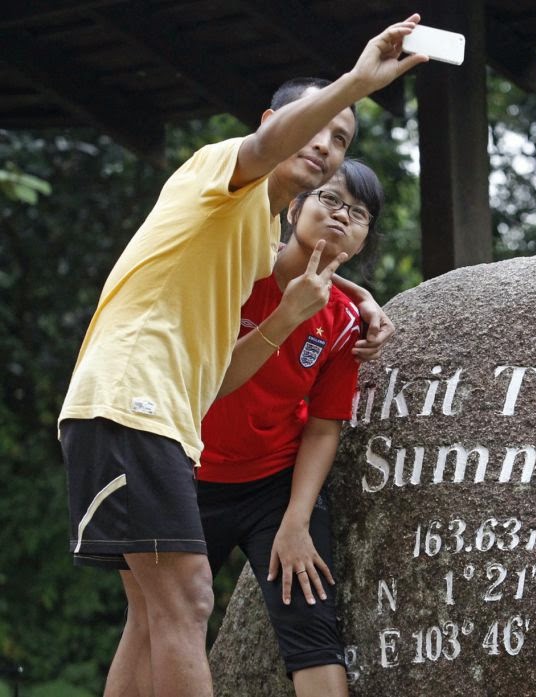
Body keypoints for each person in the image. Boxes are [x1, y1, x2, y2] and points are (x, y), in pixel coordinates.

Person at [58, 16, 427, 697]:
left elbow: (229, 366)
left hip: (164, 418)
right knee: (190, 598)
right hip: (128, 400)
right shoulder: (219, 170)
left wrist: (345, 298)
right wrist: (356, 81)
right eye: (314, 128)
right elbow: (262, 148)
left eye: (341, 140)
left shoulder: (256, 238)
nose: (325, 146)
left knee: (152, 613)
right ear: (274, 122)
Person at [196, 159, 385, 697]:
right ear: (294, 206)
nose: (341, 216)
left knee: (312, 628)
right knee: (161, 619)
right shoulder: (238, 271)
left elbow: (325, 426)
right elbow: (210, 382)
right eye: (329, 199)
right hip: (188, 472)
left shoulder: (347, 319)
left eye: (359, 213)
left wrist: (296, 521)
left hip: (273, 485)